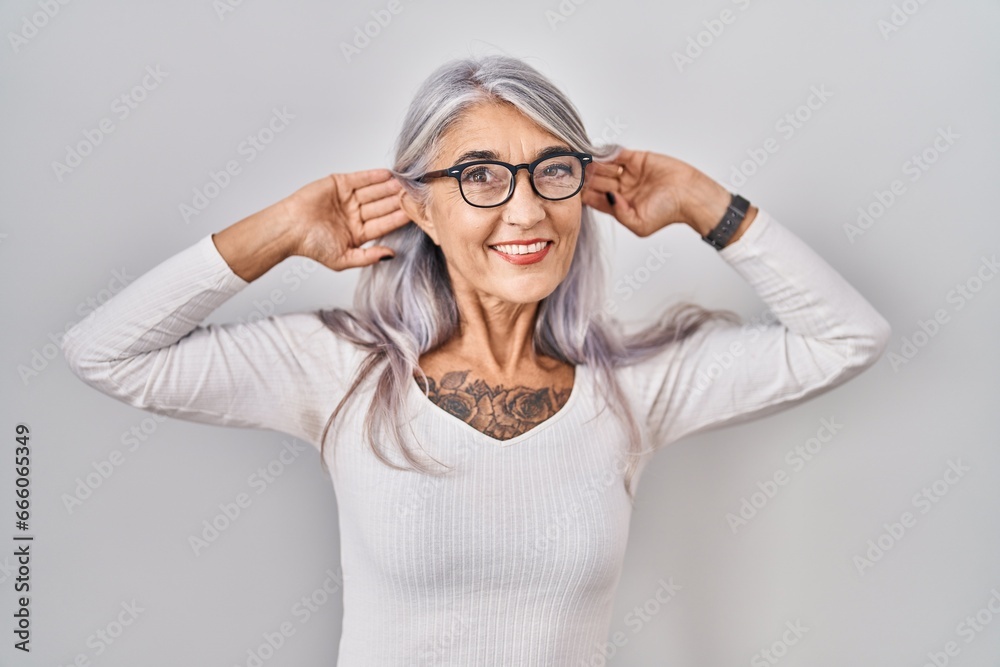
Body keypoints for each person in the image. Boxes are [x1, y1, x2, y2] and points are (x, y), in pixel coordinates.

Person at [61, 54, 892, 665]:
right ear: (417, 201)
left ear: (583, 187)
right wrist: (281, 227)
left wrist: (704, 199)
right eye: (480, 177)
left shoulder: (633, 387)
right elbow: (105, 352)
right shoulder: (344, 369)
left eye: (551, 172)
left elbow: (848, 337)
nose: (525, 209)